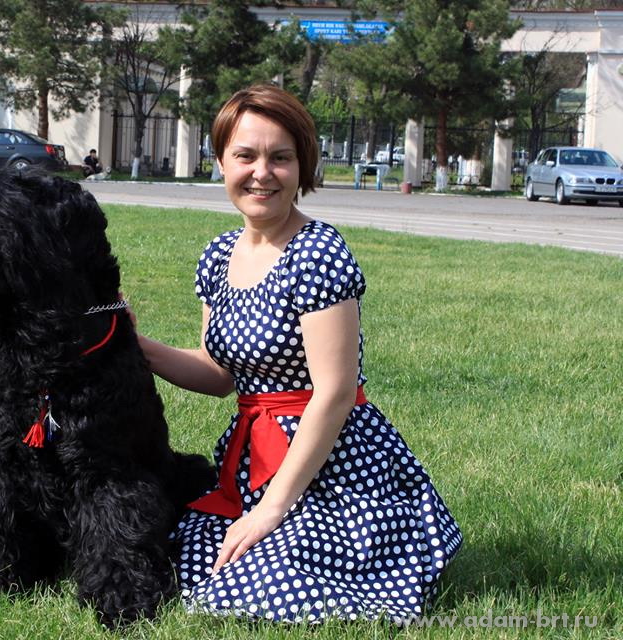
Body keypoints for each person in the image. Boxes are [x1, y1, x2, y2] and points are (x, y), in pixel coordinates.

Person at [130, 85, 462, 624]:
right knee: (178, 561)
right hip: (252, 463)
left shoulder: (318, 252)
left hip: (333, 468)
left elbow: (335, 393)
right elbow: (218, 374)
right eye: (245, 155)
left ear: (302, 165)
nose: (261, 173)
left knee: (257, 585)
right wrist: (132, 344)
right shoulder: (218, 256)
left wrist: (273, 510)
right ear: (221, 162)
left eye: (280, 158)